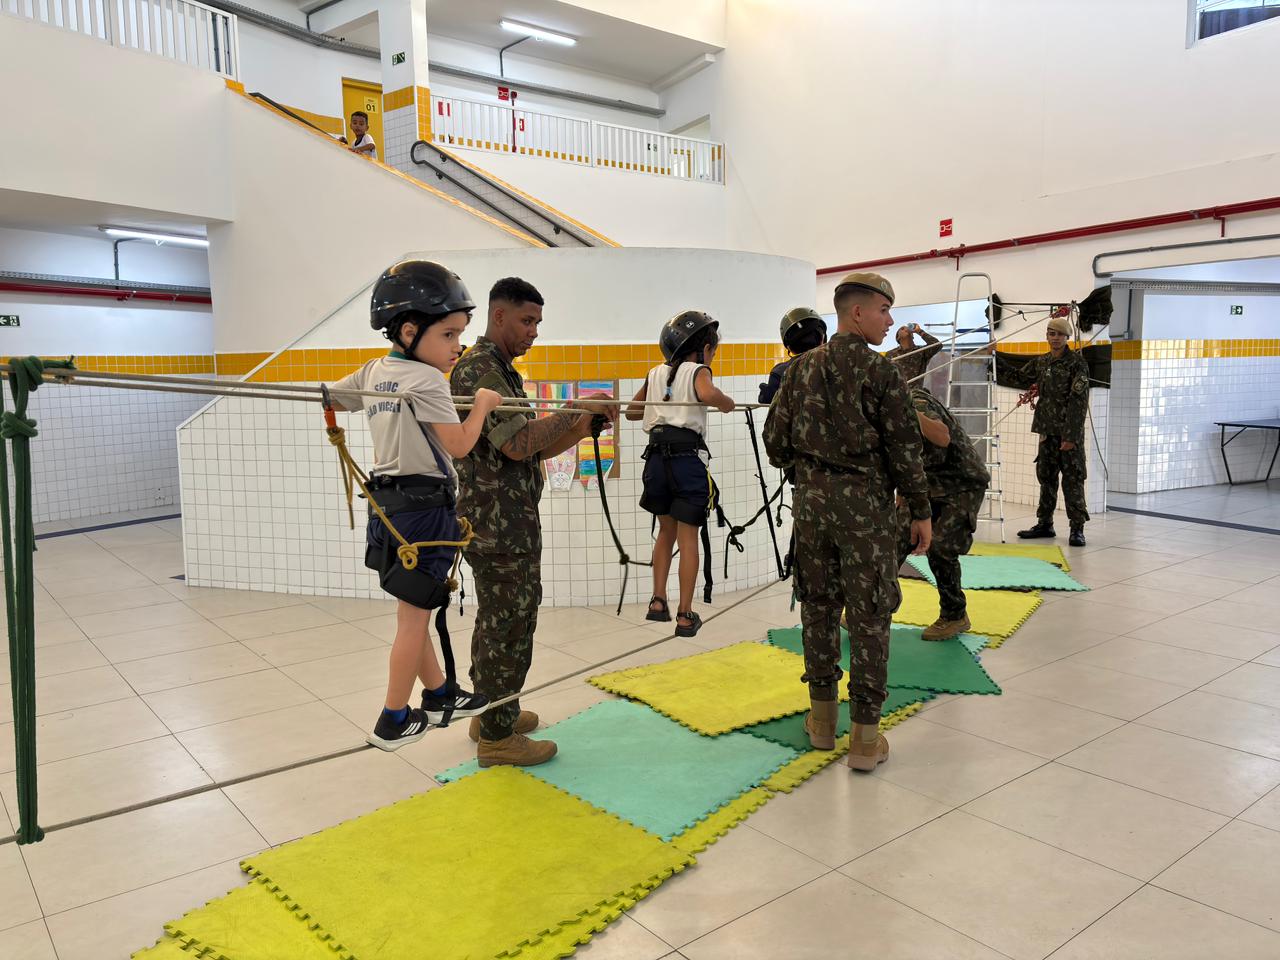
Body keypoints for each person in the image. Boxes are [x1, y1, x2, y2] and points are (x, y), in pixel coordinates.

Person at [327, 260, 501, 750]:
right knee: (413, 619)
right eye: (448, 335)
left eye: (459, 335)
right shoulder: (427, 382)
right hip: (425, 512)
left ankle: (441, 691)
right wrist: (483, 405)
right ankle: (393, 718)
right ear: (409, 330)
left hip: (387, 509)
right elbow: (461, 446)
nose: (457, 347)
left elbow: (336, 400)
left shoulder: (375, 371)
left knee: (414, 609)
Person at [764, 271, 931, 773]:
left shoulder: (796, 372)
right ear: (857, 313)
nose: (890, 320)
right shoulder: (882, 374)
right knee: (870, 617)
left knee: (817, 609)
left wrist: (812, 470)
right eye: (884, 310)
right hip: (867, 514)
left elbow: (775, 445)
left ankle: (820, 723)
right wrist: (920, 510)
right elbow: (906, 448)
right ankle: (863, 739)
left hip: (812, 509)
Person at [451, 277, 616, 767]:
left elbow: (534, 448)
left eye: (538, 323)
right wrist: (573, 409)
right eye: (527, 321)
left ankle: (491, 713)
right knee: (510, 623)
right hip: (499, 524)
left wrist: (583, 425)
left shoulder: (499, 369)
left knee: (495, 618)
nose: (534, 332)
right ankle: (499, 738)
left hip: (503, 519)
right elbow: (517, 444)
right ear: (498, 316)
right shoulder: (482, 370)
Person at [625, 311, 735, 637]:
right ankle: (685, 615)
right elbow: (708, 394)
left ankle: (658, 601)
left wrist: (659, 404)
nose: (712, 357)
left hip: (656, 461)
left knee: (665, 533)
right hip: (687, 460)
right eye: (712, 351)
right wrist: (727, 403)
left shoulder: (655, 372)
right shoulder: (698, 369)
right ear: (702, 348)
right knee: (689, 541)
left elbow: (632, 412)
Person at [896, 388, 990, 640]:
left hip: (961, 483)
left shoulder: (914, 400)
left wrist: (906, 410)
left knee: (940, 547)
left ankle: (954, 615)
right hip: (924, 484)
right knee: (892, 539)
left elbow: (942, 436)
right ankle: (874, 609)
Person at [991, 314, 1091, 546]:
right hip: (1047, 432)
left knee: (1073, 481)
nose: (1055, 338)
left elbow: (1079, 402)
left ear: (1067, 337)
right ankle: (1045, 524)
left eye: (1060, 335)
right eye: (1051, 333)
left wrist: (1071, 437)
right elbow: (1017, 376)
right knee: (1046, 479)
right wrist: (995, 355)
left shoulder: (1077, 364)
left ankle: (1077, 528)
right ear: (1047, 336)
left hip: (1068, 435)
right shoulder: (1042, 361)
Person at [758, 307, 828, 404]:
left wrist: (764, 394)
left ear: (789, 347)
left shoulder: (780, 372)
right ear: (822, 339)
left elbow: (769, 399)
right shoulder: (836, 366)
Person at [883, 322, 942, 389]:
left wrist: (919, 331)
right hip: (896, 393)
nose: (906, 329)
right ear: (898, 338)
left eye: (907, 328)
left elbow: (937, 345)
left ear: (913, 336)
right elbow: (885, 375)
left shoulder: (921, 351)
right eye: (902, 329)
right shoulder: (890, 354)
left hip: (914, 394)